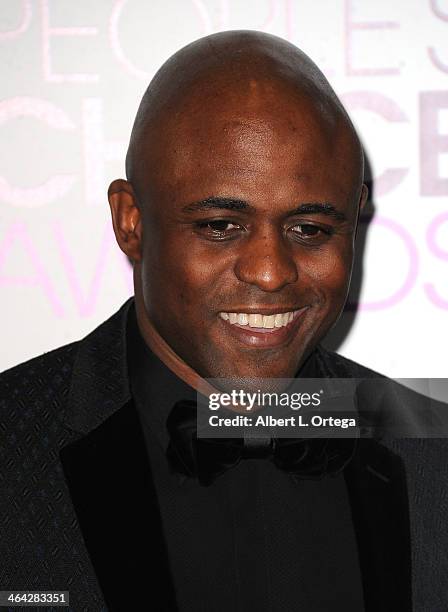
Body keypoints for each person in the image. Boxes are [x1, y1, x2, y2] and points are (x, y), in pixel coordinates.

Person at [0, 30, 446, 612]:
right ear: (130, 220)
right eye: (219, 225)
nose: (269, 272)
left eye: (310, 229)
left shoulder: (434, 455)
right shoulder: (13, 444)